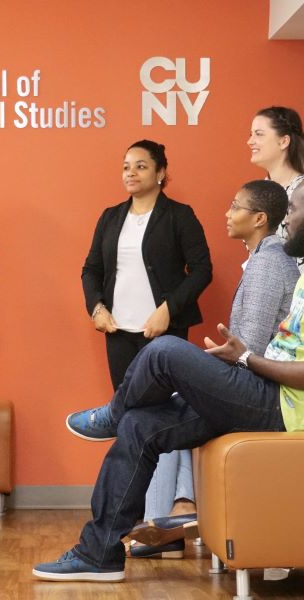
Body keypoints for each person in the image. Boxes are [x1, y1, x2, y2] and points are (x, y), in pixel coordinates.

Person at [32, 180, 304, 583]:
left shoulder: (271, 261)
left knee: (165, 351)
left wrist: (238, 359)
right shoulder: (294, 272)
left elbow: (252, 350)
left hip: (278, 404)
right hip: (260, 392)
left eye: (295, 211)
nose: (289, 221)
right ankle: (99, 553)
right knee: (138, 425)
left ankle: (111, 413)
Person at [126, 179, 299, 556]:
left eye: (235, 207)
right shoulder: (262, 259)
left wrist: (210, 371)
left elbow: (248, 347)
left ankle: (173, 514)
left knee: (169, 375)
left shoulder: (269, 264)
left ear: (258, 218)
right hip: (256, 380)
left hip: (259, 389)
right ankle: (171, 515)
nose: (226, 213)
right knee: (168, 402)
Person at [67, 140, 212, 545]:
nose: (130, 173)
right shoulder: (111, 217)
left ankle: (159, 522)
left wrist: (168, 308)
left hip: (164, 336)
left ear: (161, 172)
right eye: (126, 166)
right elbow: (90, 269)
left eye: (141, 166)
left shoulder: (179, 216)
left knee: (161, 423)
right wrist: (96, 308)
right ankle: (143, 525)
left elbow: (202, 270)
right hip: (119, 334)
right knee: (132, 423)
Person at [248, 106, 304, 242]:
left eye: (259, 134)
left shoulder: (301, 194)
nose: (250, 142)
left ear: (284, 141)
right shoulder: (259, 194)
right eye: (251, 134)